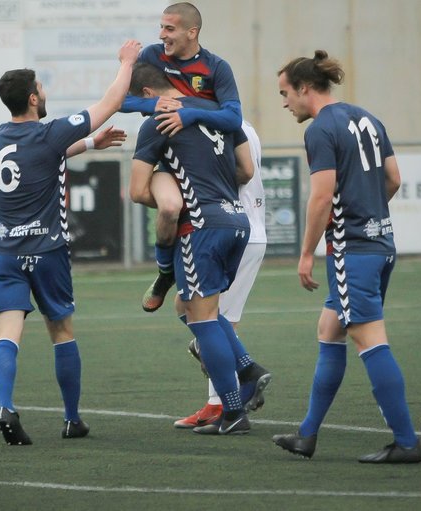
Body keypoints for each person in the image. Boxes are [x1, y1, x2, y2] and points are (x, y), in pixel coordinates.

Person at [0, 40, 141, 445]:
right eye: (42, 88)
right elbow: (109, 103)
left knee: (7, 336)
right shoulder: (49, 132)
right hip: (46, 250)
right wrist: (126, 62)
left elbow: (46, 154)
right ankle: (72, 419)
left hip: (3, 251)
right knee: (62, 331)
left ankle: (5, 404)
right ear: (34, 97)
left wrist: (91, 143)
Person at [271, 50, 421, 463]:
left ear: (305, 88)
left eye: (285, 93)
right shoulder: (368, 118)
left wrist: (306, 253)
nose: (284, 102)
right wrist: (368, 211)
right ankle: (307, 434)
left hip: (353, 251)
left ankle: (407, 443)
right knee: (330, 328)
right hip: (381, 244)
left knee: (369, 339)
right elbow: (393, 179)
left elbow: (321, 196)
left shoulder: (320, 129)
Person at [128, 62, 258, 435]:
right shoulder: (215, 110)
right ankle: (248, 366)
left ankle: (234, 413)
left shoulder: (157, 121)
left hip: (201, 228)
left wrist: (170, 188)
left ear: (148, 96)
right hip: (237, 222)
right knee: (188, 307)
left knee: (202, 321)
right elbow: (246, 170)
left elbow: (137, 191)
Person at [121, 2, 244, 313]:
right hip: (171, 154)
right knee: (170, 206)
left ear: (192, 32)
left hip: (210, 146)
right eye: (161, 27)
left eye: (169, 28)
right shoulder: (152, 56)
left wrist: (188, 113)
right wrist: (159, 106)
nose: (161, 34)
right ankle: (166, 272)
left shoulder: (217, 68)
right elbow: (119, 100)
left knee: (248, 169)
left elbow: (233, 119)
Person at [174, 119, 269, 430]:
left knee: (211, 320)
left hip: (227, 231)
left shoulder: (211, 125)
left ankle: (224, 402)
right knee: (192, 309)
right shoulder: (240, 125)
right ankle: (236, 383)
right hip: (244, 229)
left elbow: (235, 174)